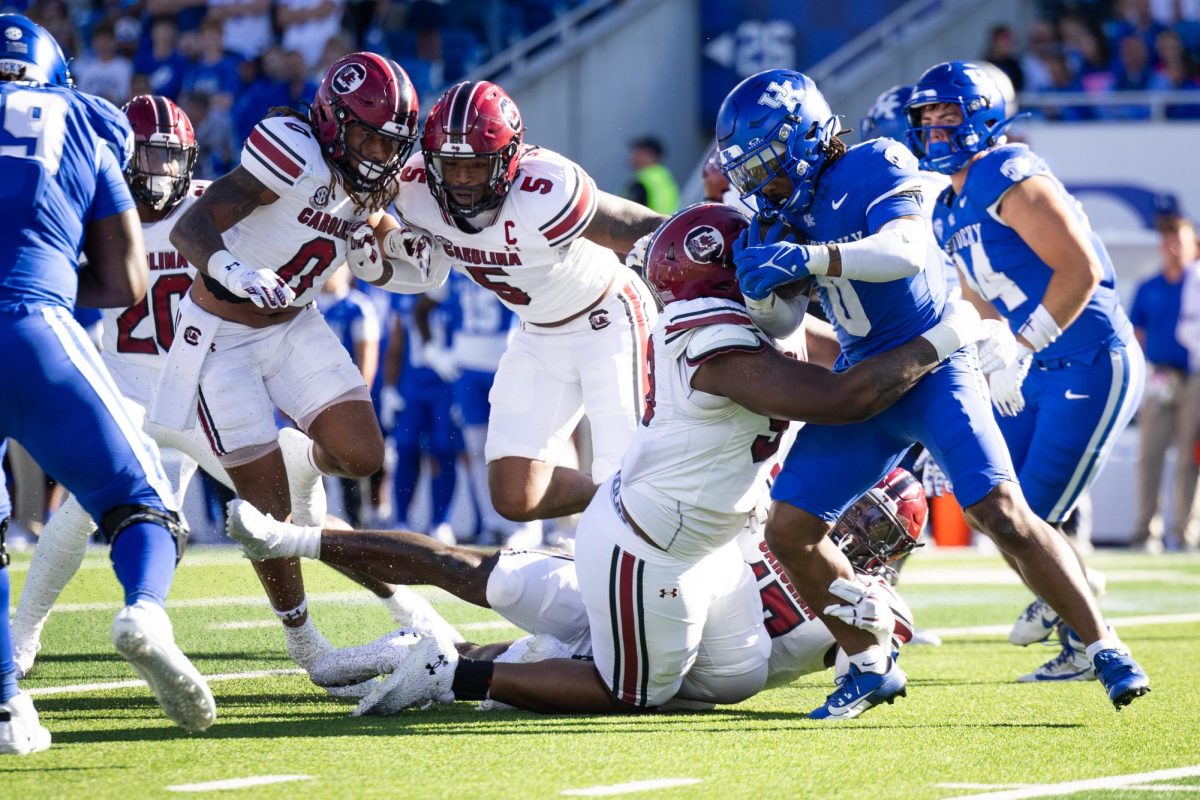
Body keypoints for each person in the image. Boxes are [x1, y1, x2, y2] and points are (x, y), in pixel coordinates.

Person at [273, 202, 988, 716]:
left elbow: (854, 365)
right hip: (650, 546)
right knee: (625, 688)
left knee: (504, 596)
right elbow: (849, 396)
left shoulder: (751, 329)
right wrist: (952, 331)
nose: (777, 278)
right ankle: (439, 664)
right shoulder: (712, 340)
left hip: (686, 547)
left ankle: (382, 618)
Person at [718, 68, 1147, 718]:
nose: (761, 183)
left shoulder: (876, 162)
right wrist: (762, 293)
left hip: (934, 364)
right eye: (749, 171)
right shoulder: (781, 212)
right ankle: (868, 663)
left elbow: (906, 252)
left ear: (805, 137)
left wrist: (810, 260)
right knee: (790, 529)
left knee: (1001, 512)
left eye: (769, 163)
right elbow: (780, 323)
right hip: (866, 381)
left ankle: (1104, 645)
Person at [152, 52, 421, 682]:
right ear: (330, 120)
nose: (378, 152)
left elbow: (376, 231)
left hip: (296, 321)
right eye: (365, 135)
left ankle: (303, 458)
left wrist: (401, 248)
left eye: (389, 141)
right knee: (267, 517)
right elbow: (191, 226)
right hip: (222, 336)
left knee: (360, 454)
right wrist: (236, 271)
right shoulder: (292, 150)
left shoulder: (372, 174)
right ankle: (304, 641)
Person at [224, 466, 926, 705]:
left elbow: (862, 664)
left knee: (493, 660)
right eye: (862, 510)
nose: (861, 532)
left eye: (878, 527)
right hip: (643, 596)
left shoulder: (881, 605)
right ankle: (296, 537)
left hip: (711, 661)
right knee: (468, 567)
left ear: (897, 550)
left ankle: (428, 660)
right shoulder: (786, 516)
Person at [0, 16, 215, 733]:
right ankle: (145, 612)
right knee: (141, 499)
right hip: (35, 327)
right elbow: (125, 278)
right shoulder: (82, 122)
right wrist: (49, 282)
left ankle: (7, 702)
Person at [907, 61, 1149, 682]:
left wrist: (1024, 344)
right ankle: (1078, 596)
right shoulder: (948, 205)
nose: (935, 130)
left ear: (985, 115)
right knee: (992, 503)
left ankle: (1083, 630)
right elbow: (980, 302)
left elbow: (1080, 270)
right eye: (926, 118)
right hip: (1034, 367)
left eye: (949, 115)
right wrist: (980, 380)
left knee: (1031, 516)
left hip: (1091, 357)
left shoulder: (1008, 171)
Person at [351, 80, 665, 528]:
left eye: (475, 166)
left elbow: (634, 225)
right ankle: (642, 502)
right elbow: (362, 206)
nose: (460, 179)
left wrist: (709, 241)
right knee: (516, 495)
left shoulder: (547, 189)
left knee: (628, 469)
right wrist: (392, 238)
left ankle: (641, 516)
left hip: (610, 319)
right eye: (450, 165)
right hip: (537, 332)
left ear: (507, 160)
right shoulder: (414, 186)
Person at [1130, 214, 1198, 552]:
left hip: (1195, 378)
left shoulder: (1197, 284)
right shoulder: (1149, 288)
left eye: (1179, 240)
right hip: (1160, 375)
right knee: (1150, 454)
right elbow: (1137, 334)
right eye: (1167, 240)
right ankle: (1147, 532)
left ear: (1193, 246)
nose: (1172, 248)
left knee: (1190, 458)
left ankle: (1184, 533)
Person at [316, 266, 382, 528]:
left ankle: (358, 524)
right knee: (306, 459)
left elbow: (367, 360)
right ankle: (309, 523)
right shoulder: (305, 304)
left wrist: (355, 401)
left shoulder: (358, 306)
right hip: (308, 395)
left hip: (342, 396)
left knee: (349, 461)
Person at [626, 136, 679, 215]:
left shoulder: (643, 181)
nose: (632, 155)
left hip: (651, 226)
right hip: (668, 225)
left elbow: (629, 214)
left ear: (649, 155)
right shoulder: (665, 178)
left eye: (637, 151)